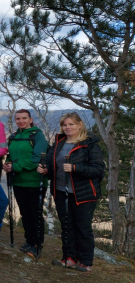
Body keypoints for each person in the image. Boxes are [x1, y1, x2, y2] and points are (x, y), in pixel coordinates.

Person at [37, 113, 105, 273]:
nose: (67, 127)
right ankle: (69, 257)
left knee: (83, 227)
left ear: (80, 125)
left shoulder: (90, 144)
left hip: (83, 194)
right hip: (61, 191)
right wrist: (44, 168)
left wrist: (75, 168)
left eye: (71, 125)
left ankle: (86, 262)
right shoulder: (60, 142)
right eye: (65, 125)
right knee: (67, 226)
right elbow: (49, 160)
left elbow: (98, 170)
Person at [3, 109, 49, 259]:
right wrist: (8, 164)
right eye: (18, 119)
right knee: (24, 213)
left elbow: (37, 158)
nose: (21, 121)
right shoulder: (14, 136)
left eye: (24, 118)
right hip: (18, 181)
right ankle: (29, 241)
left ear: (30, 119)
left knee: (35, 214)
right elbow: (10, 155)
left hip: (35, 181)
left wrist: (15, 166)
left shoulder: (37, 135)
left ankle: (37, 245)